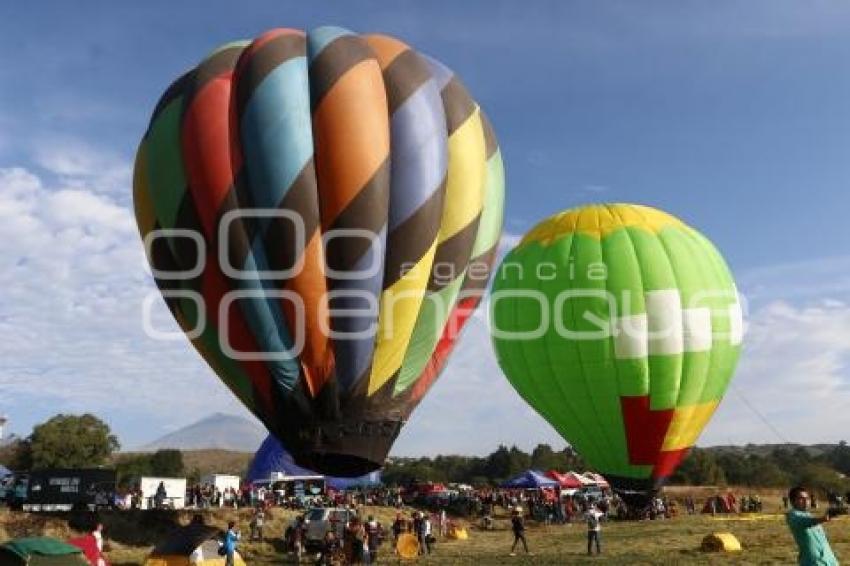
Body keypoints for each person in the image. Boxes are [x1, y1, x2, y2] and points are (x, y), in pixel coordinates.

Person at [785, 486, 838, 566]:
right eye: (801, 498)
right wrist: (821, 519)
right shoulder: (793, 515)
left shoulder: (809, 515)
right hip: (813, 562)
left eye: (807, 498)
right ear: (793, 501)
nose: (806, 501)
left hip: (828, 560)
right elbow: (804, 521)